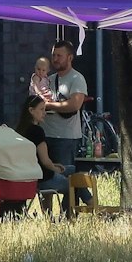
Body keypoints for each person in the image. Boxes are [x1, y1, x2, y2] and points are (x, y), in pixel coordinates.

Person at [13, 96, 72, 204]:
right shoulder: (37, 131)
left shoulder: (19, 131)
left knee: (72, 169)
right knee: (74, 184)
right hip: (43, 176)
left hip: (27, 175)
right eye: (41, 109)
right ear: (31, 110)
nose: (44, 113)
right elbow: (45, 161)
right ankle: (70, 215)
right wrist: (55, 168)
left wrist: (54, 165)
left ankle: (48, 216)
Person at [42, 39, 89, 171]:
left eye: (59, 56)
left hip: (65, 138)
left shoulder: (77, 78)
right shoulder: (48, 79)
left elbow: (74, 105)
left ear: (70, 57)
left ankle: (82, 192)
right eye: (53, 55)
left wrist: (50, 105)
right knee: (47, 179)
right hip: (45, 135)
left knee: (65, 178)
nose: (55, 59)